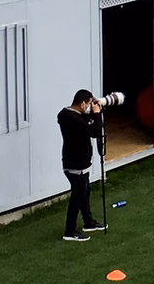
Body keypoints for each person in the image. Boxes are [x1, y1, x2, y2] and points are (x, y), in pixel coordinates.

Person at [57, 90, 106, 241]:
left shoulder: (69, 115)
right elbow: (95, 131)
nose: (90, 106)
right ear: (82, 103)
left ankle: (88, 222)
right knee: (78, 197)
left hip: (80, 163)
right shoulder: (73, 119)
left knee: (85, 192)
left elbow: (85, 121)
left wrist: (95, 112)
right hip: (75, 164)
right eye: (89, 103)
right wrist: (97, 115)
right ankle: (70, 231)